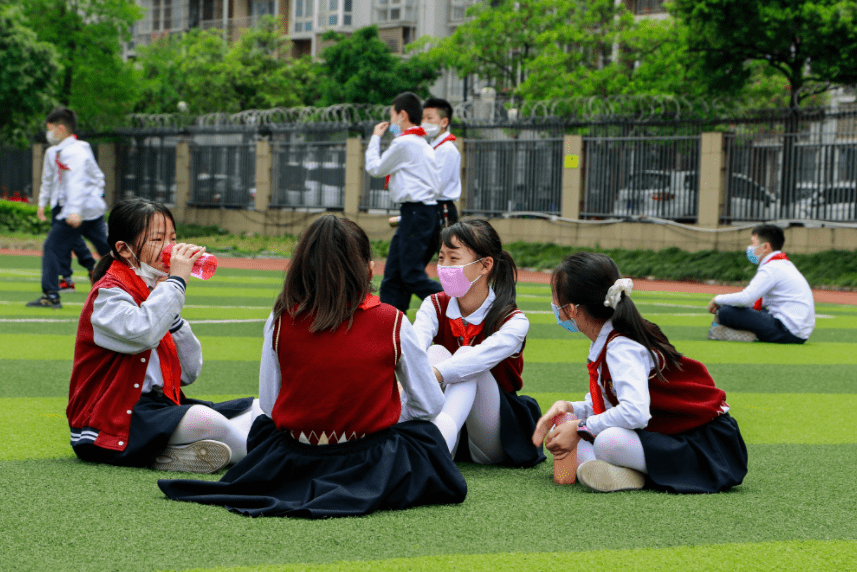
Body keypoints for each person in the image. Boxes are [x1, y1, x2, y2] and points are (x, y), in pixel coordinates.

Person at [158, 215, 467, 518]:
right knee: (436, 426)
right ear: (369, 269)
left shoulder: (279, 319)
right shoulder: (393, 320)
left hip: (295, 460)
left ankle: (220, 438)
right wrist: (383, 408)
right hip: (371, 463)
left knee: (259, 419)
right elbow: (429, 405)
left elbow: (269, 403)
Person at [67, 198, 260, 473]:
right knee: (208, 421)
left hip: (159, 408)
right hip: (110, 421)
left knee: (258, 409)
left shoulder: (155, 291)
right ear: (124, 249)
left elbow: (188, 374)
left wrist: (173, 312)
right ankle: (267, 458)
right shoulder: (107, 294)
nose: (170, 247)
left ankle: (170, 452)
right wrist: (176, 283)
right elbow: (142, 333)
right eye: (158, 239)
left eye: (173, 237)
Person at [532, 252, 748, 494]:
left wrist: (582, 426)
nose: (554, 306)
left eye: (555, 299)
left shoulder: (621, 347)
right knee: (565, 428)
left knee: (606, 441)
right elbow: (606, 405)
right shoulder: (608, 340)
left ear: (571, 309)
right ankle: (630, 473)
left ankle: (637, 473)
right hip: (671, 434)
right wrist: (570, 409)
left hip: (705, 444)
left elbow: (635, 413)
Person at [413, 220, 545, 468]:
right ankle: (435, 443)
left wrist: (431, 374)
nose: (444, 267)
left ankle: (434, 448)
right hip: (447, 419)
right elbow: (414, 350)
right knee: (435, 351)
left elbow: (476, 359)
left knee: (468, 360)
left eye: (454, 258)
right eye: (441, 258)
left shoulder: (513, 321)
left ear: (485, 265)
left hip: (493, 435)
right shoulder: (434, 304)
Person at [365, 91, 443, 312]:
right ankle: (391, 320)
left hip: (416, 213)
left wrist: (375, 137)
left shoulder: (405, 143)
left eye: (392, 115)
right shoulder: (422, 143)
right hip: (419, 213)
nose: (391, 122)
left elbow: (376, 168)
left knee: (410, 274)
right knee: (393, 274)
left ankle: (457, 305)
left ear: (402, 115)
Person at [28, 107, 110, 308]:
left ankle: (52, 296)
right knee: (110, 251)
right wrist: (95, 199)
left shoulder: (71, 152)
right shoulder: (80, 148)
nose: (49, 134)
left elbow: (75, 181)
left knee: (52, 247)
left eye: (51, 129)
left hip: (77, 211)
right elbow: (97, 178)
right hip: (92, 211)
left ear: (61, 128)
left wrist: (75, 210)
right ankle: (138, 285)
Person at [707, 224, 815, 343]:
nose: (750, 248)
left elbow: (746, 298)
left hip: (786, 331)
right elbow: (757, 302)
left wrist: (718, 299)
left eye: (753, 243)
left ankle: (727, 332)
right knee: (732, 306)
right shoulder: (782, 264)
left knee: (726, 311)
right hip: (797, 333)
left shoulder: (772, 268)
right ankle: (741, 332)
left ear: (765, 247)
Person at [422, 97, 461, 228]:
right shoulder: (432, 146)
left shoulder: (447, 149)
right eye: (423, 118)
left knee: (443, 248)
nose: (424, 122)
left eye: (429, 118)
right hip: (431, 207)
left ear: (444, 122)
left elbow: (437, 186)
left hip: (442, 209)